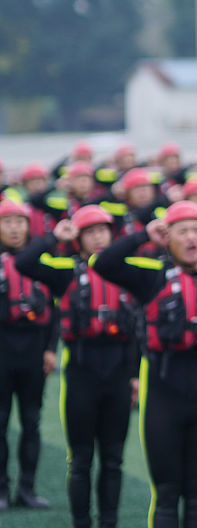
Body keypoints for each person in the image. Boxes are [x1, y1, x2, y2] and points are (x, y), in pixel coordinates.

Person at [91, 200, 197, 528]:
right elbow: (103, 263)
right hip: (163, 402)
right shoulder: (151, 277)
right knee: (166, 494)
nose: (191, 238)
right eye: (182, 230)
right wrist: (142, 236)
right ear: (168, 238)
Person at [15, 206, 137, 527]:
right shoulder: (64, 271)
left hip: (118, 376)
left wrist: (135, 376)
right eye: (91, 232)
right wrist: (54, 238)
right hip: (82, 374)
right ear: (79, 239)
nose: (98, 237)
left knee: (113, 461)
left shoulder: (128, 272)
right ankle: (81, 523)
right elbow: (24, 263)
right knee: (81, 461)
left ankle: (109, 522)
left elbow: (138, 330)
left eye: (103, 230)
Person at [0, 199, 57, 511]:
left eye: (19, 221)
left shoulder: (42, 261)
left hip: (34, 347)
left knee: (31, 421)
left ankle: (27, 489)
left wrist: (51, 348)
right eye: (7, 221)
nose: (13, 228)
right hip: (3, 348)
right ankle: (2, 490)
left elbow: (58, 309)